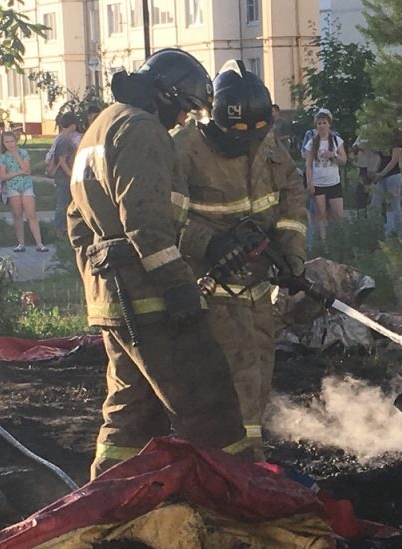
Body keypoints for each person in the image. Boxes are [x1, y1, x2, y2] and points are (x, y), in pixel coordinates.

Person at [67, 47, 248, 478]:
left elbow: (76, 223)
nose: (184, 120)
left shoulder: (101, 126)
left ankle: (111, 498)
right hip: (151, 301)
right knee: (207, 400)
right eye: (184, 109)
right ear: (165, 95)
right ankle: (240, 493)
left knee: (132, 410)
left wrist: (98, 282)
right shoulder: (142, 129)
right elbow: (146, 224)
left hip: (113, 300)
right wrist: (178, 287)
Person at [173, 61, 308, 459]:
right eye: (237, 137)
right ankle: (234, 465)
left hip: (257, 288)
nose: (247, 145)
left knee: (258, 376)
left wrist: (291, 255)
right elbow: (158, 219)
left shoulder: (268, 146)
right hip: (208, 288)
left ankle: (247, 460)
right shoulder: (184, 149)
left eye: (257, 134)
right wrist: (209, 244)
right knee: (229, 379)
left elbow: (291, 200)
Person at [0, 131, 46, 253]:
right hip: (13, 187)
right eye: (7, 142)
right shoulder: (3, 157)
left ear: (16, 141)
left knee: (31, 214)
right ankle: (21, 243)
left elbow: (27, 169)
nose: (10, 144)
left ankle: (39, 243)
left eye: (12, 141)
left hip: (26, 185)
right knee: (17, 215)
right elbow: (3, 176)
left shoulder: (23, 153)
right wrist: (18, 173)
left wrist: (17, 155)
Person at [303, 107, 346, 240]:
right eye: (319, 123)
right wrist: (310, 183)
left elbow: (344, 160)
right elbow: (308, 164)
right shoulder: (312, 142)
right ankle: (323, 242)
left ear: (329, 124)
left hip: (333, 182)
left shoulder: (336, 140)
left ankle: (339, 240)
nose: (322, 126)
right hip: (318, 182)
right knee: (320, 214)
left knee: (338, 214)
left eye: (324, 123)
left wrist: (333, 155)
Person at [48, 112, 79, 234]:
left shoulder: (61, 138)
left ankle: (64, 226)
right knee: (63, 203)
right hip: (63, 176)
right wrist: (72, 175)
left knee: (66, 201)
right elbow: (62, 162)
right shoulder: (64, 141)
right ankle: (59, 227)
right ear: (72, 125)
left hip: (63, 176)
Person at [370, 141, 402, 235]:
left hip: (393, 176)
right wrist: (376, 172)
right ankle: (374, 229)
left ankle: (398, 230)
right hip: (381, 177)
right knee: (374, 204)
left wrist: (382, 174)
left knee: (395, 204)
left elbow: (393, 161)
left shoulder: (396, 143)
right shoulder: (383, 141)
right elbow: (380, 159)